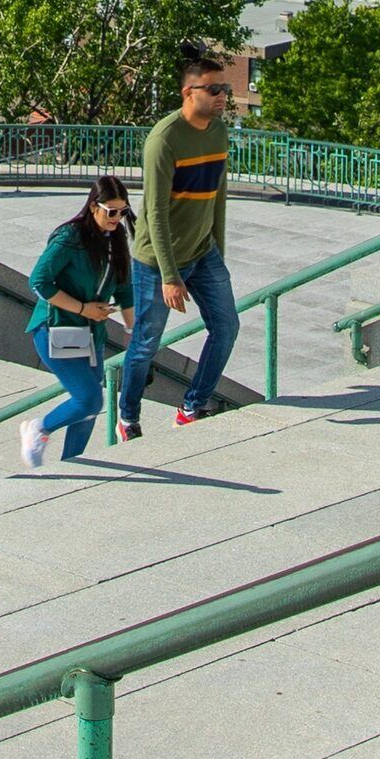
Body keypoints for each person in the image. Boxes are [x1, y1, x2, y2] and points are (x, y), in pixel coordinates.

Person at [126, 44, 243, 430]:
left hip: (202, 251)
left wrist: (219, 251)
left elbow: (219, 197)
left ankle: (192, 407)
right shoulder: (164, 139)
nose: (222, 96)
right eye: (213, 90)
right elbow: (154, 212)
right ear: (188, 93)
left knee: (227, 327)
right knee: (146, 343)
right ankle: (128, 418)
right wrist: (170, 275)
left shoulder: (219, 132)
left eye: (223, 89)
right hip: (156, 261)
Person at [20, 177, 135, 470]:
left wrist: (133, 330)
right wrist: (84, 309)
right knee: (89, 400)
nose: (117, 218)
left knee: (88, 410)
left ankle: (71, 464)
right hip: (55, 328)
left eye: (123, 211)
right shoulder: (70, 237)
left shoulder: (116, 239)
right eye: (111, 211)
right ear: (93, 206)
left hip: (89, 334)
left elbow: (123, 288)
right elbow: (39, 281)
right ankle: (39, 428)